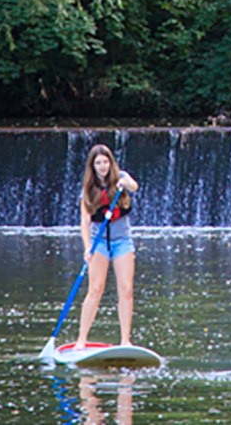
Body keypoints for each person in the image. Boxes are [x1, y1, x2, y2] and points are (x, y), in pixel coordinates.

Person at [74, 144, 140, 349]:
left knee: (126, 290)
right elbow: (85, 222)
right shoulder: (87, 190)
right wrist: (87, 248)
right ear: (92, 166)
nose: (102, 166)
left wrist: (125, 182)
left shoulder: (120, 178)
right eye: (98, 163)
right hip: (98, 242)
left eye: (105, 162)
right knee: (95, 289)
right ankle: (81, 340)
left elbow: (134, 186)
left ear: (110, 163)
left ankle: (125, 341)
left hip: (122, 242)